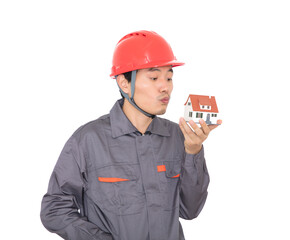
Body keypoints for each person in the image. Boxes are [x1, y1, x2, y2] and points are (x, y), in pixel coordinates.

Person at [40, 30, 222, 240]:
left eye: (169, 77)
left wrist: (193, 151)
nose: (166, 87)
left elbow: (190, 210)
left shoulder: (178, 136)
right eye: (154, 77)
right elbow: (54, 209)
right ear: (124, 83)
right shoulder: (88, 140)